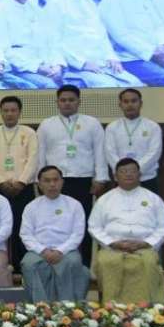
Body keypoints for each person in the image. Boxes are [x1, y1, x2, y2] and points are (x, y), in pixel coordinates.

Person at [43, 0, 144, 87]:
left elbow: (102, 35)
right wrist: (82, 63)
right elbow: (54, 43)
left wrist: (111, 57)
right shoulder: (55, 5)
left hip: (102, 63)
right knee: (108, 87)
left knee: (136, 84)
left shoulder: (89, 3)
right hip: (77, 67)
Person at [37, 85, 107, 265]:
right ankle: (54, 261)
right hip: (54, 181)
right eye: (63, 100)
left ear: (79, 102)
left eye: (71, 100)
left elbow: (100, 151)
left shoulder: (92, 123)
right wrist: (40, 180)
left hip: (83, 180)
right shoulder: (46, 124)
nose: (67, 103)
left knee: (83, 223)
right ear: (57, 102)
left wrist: (100, 177)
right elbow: (40, 153)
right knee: (56, 221)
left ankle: (84, 265)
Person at [89, 158, 164, 304]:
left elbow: (163, 227)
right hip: (112, 249)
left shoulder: (153, 199)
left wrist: (146, 243)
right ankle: (112, 309)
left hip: (144, 248)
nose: (128, 174)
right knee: (105, 262)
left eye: (132, 171)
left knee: (150, 262)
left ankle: (147, 310)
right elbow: (94, 227)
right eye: (123, 171)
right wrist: (113, 243)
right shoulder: (105, 200)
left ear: (140, 175)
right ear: (115, 176)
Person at [20, 166, 90, 302]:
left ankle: (68, 307)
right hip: (38, 251)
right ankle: (40, 307)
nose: (52, 184)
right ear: (39, 184)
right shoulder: (31, 206)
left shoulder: (74, 205)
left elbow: (77, 234)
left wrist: (60, 251)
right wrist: (43, 251)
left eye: (55, 180)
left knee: (72, 262)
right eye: (47, 181)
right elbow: (26, 235)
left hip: (67, 251)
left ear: (62, 182)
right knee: (28, 264)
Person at [0, 95, 38, 259]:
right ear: (0, 112)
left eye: (13, 110)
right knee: (0, 226)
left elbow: (33, 159)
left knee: (23, 226)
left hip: (24, 189)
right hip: (0, 189)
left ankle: (22, 263)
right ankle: (3, 261)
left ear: (19, 112)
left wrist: (21, 182)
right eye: (6, 110)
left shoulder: (29, 132)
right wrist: (1, 183)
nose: (9, 114)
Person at [104, 89, 162, 195]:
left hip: (146, 178)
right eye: (126, 101)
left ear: (141, 103)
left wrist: (135, 171)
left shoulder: (153, 126)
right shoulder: (112, 127)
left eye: (134, 101)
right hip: (121, 180)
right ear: (120, 105)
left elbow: (154, 153)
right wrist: (124, 172)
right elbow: (110, 153)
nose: (130, 105)